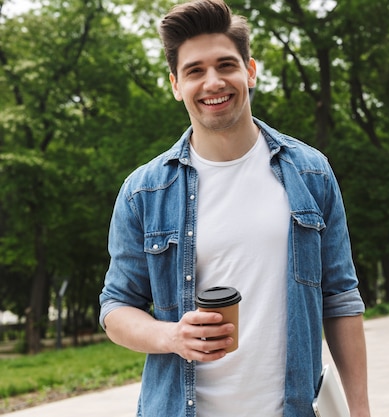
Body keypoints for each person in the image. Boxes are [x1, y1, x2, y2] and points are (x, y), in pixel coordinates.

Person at [98, 1, 370, 416]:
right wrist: (172, 337)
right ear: (176, 84)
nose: (213, 82)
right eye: (194, 71)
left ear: (250, 70)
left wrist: (360, 410)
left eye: (226, 65)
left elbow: (341, 299)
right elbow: (116, 307)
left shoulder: (311, 173)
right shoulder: (144, 191)